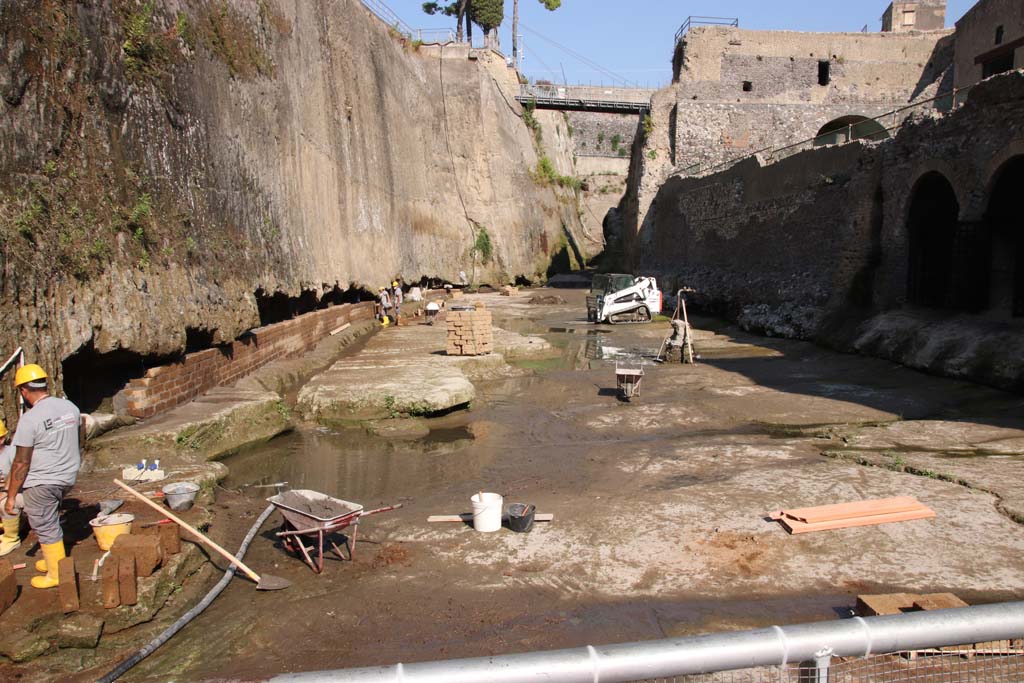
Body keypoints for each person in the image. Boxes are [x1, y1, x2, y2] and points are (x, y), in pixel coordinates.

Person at [5, 364, 84, 589]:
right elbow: (80, 433)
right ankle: (54, 560)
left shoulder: (30, 420)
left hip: (42, 481)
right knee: (50, 517)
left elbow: (21, 462)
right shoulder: (69, 407)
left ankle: (56, 574)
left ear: (23, 391)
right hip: (67, 476)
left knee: (44, 524)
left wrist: (11, 497)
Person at [0, 419, 23, 557]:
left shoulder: (11, 453)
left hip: (15, 492)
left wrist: (5, 492)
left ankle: (11, 538)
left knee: (5, 503)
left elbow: (20, 477)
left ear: (1, 439)